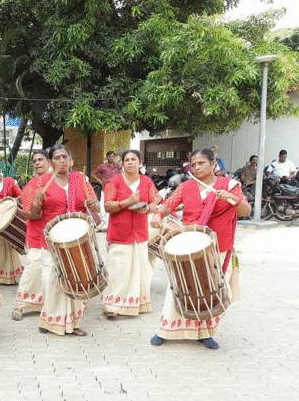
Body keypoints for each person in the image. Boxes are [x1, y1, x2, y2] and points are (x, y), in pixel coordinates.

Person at [150, 148, 251, 349]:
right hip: (189, 246)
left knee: (212, 290)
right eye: (193, 164)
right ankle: (166, 329)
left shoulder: (229, 186)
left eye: (201, 163)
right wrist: (157, 215)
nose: (196, 168)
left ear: (214, 164)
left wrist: (233, 199)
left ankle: (206, 333)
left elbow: (246, 211)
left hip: (218, 246)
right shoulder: (186, 187)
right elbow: (168, 205)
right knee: (179, 288)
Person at [30, 145, 99, 336]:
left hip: (77, 238)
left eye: (64, 157)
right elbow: (35, 213)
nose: (61, 161)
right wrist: (37, 200)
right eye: (57, 157)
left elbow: (97, 209)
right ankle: (50, 320)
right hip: (52, 240)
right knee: (50, 280)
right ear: (51, 162)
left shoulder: (81, 179)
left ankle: (74, 323)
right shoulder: (43, 182)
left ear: (71, 160)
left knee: (75, 278)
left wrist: (94, 204)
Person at [101, 150, 161, 318]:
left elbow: (156, 199)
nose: (130, 162)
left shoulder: (147, 181)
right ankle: (111, 306)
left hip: (140, 233)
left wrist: (148, 208)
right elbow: (107, 206)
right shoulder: (115, 181)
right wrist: (128, 202)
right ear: (122, 164)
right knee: (118, 269)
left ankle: (136, 305)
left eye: (133, 159)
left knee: (140, 270)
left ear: (140, 162)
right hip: (120, 232)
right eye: (126, 160)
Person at [12, 150, 50, 320]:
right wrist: (39, 209)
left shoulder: (60, 182)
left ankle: (52, 304)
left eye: (41, 159)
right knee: (33, 270)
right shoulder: (30, 186)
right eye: (34, 161)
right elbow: (27, 213)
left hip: (58, 236)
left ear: (49, 162)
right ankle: (22, 304)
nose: (37, 163)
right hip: (36, 235)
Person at [0, 158, 23, 285]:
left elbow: (20, 196)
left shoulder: (10, 181)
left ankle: (11, 276)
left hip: (9, 218)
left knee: (8, 244)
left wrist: (13, 201)